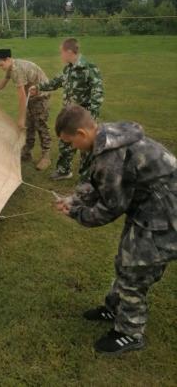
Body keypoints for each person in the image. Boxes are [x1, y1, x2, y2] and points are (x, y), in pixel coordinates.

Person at [55, 104, 177, 355]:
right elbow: (99, 182)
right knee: (126, 260)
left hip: (165, 214)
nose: (71, 147)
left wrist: (76, 212)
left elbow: (110, 208)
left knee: (135, 269)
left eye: (70, 142)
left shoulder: (111, 156)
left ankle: (130, 332)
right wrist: (75, 199)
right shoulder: (107, 134)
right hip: (151, 206)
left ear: (81, 133)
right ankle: (115, 306)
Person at [30, 38, 103, 181]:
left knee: (85, 148)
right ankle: (64, 171)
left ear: (69, 52)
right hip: (69, 116)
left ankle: (86, 177)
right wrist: (38, 88)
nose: (60, 55)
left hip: (83, 117)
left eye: (61, 52)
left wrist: (91, 117)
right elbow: (55, 82)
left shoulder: (89, 68)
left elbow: (98, 92)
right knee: (65, 141)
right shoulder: (68, 68)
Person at [0, 49, 52, 171]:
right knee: (29, 125)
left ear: (8, 59)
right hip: (31, 95)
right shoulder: (10, 67)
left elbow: (22, 96)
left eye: (1, 64)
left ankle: (46, 156)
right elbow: (2, 84)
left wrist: (21, 118)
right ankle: (27, 153)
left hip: (41, 95)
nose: (1, 67)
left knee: (40, 124)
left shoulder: (17, 70)